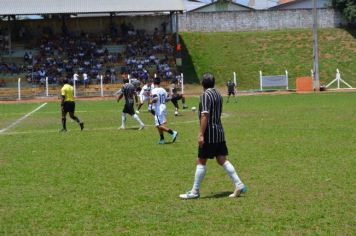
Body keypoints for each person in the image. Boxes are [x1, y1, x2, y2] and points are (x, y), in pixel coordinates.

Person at [179, 73, 247, 199]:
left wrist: (200, 134)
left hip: (209, 134)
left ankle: (195, 191)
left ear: (202, 84)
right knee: (222, 160)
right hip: (219, 132)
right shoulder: (218, 94)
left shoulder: (205, 95)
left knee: (201, 160)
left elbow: (205, 115)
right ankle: (239, 184)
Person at [150, 77, 178, 144]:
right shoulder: (162, 89)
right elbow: (167, 98)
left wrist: (151, 101)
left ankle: (172, 132)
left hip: (158, 108)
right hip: (163, 107)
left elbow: (155, 98)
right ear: (159, 83)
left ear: (153, 83)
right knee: (160, 124)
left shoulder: (154, 90)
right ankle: (162, 139)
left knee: (158, 125)